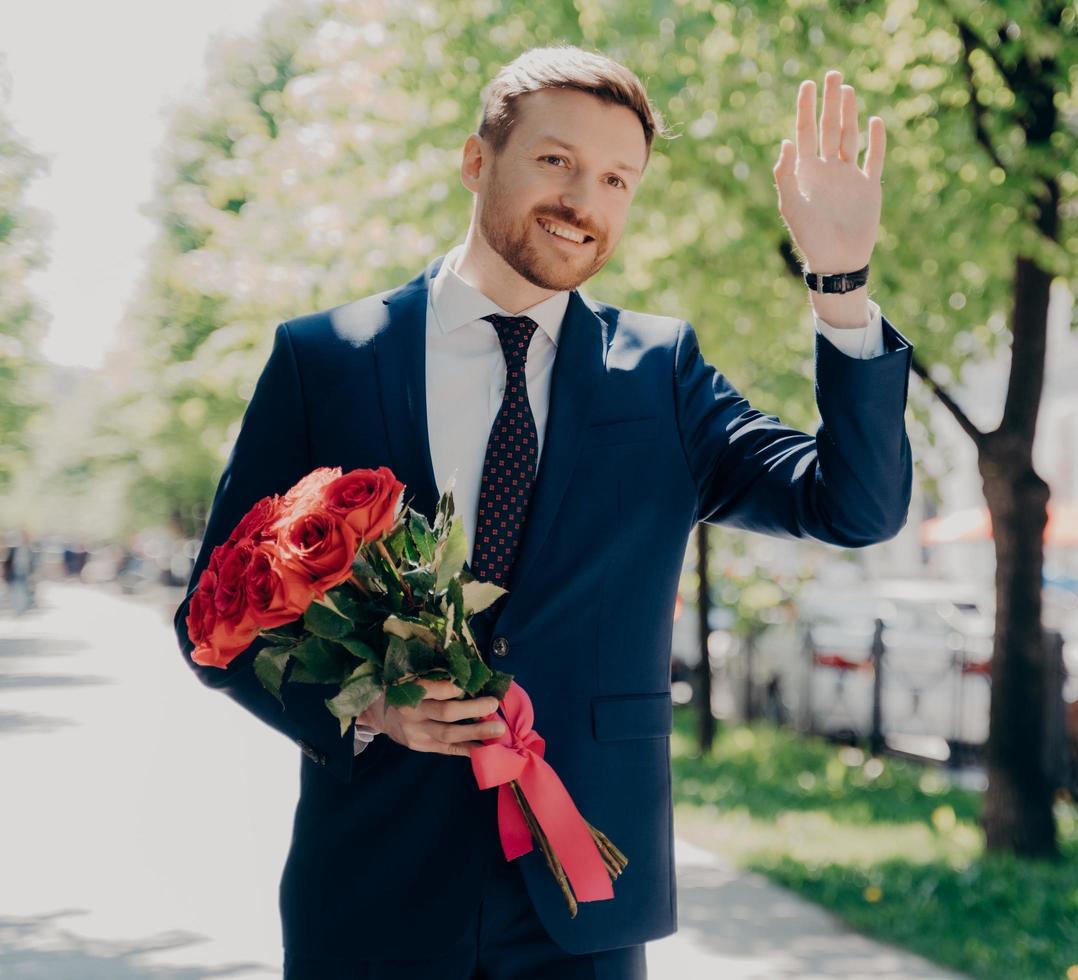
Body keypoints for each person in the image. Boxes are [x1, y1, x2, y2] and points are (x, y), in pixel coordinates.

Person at [172, 46, 912, 980]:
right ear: (478, 160)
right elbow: (213, 620)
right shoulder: (327, 360)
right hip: (373, 893)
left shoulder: (665, 376)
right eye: (556, 162)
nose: (584, 202)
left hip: (582, 895)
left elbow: (854, 505)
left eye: (616, 179)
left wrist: (840, 283)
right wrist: (369, 716)